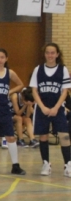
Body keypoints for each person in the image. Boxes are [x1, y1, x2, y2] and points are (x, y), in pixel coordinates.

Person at [30, 43, 71, 176]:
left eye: (53, 53)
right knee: (43, 136)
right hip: (42, 108)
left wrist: (56, 107)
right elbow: (34, 91)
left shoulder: (63, 69)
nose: (50, 55)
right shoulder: (38, 69)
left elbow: (65, 91)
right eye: (48, 52)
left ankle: (68, 164)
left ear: (57, 54)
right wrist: (42, 107)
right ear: (44, 54)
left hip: (57, 107)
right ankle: (46, 163)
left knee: (64, 135)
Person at [0, 49, 26, 175]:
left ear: (6, 59)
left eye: (2, 57)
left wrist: (10, 91)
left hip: (4, 109)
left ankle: (15, 165)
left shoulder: (10, 72)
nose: (0, 59)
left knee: (10, 137)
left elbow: (20, 84)